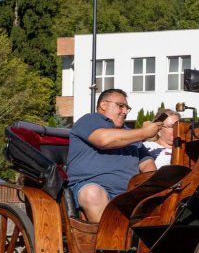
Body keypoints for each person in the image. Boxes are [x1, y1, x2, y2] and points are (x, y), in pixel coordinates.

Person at [67, 88, 160, 223]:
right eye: (120, 106)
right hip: (94, 189)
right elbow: (104, 140)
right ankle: (110, 241)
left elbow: (147, 163)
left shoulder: (129, 134)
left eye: (127, 108)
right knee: (92, 193)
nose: (125, 111)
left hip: (129, 195)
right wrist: (144, 132)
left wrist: (153, 187)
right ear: (103, 105)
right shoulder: (90, 120)